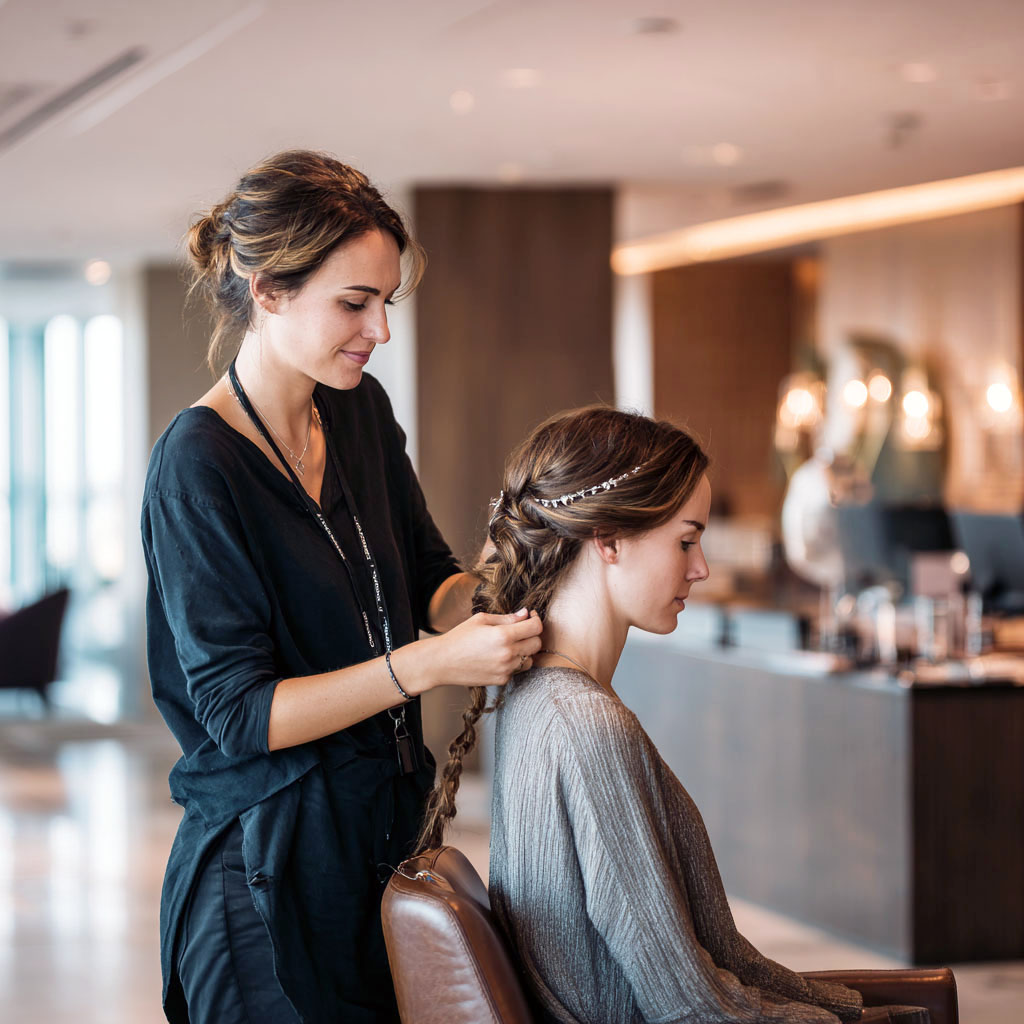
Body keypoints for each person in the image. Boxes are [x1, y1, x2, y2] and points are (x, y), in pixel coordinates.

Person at [141, 149, 542, 1024]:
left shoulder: (356, 409)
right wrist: (431, 664)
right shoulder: (198, 464)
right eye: (354, 303)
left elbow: (433, 579)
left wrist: (504, 594)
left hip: (379, 839)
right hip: (262, 872)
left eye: (384, 303)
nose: (379, 332)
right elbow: (242, 715)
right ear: (267, 289)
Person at [416, 407, 927, 1024]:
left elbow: (715, 965)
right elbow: (684, 1004)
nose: (701, 567)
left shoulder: (537, 699)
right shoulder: (587, 728)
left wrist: (861, 1012)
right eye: (686, 540)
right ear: (607, 539)